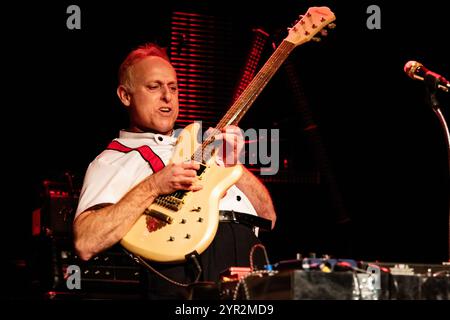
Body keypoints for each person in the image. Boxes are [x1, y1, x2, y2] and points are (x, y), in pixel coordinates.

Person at [73, 43, 277, 299]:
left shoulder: (201, 146)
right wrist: (154, 185)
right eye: (154, 87)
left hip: (252, 268)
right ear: (125, 96)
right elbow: (86, 242)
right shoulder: (114, 159)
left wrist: (232, 164)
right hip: (194, 278)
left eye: (173, 87)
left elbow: (268, 217)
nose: (167, 97)